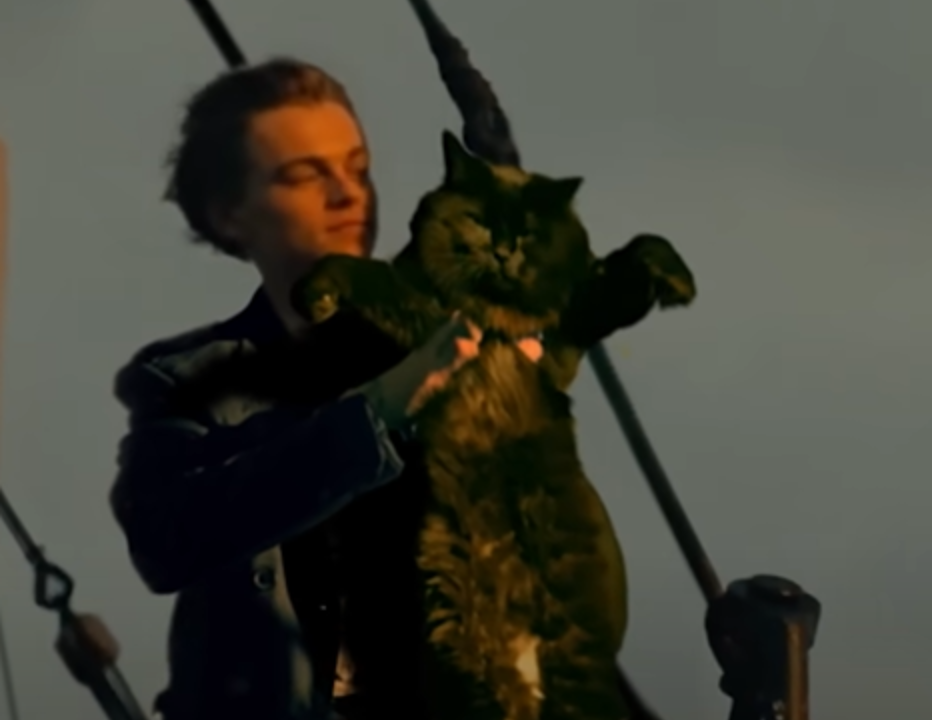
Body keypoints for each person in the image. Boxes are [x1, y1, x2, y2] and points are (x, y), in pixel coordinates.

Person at [109, 58, 659, 720]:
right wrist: (379, 411)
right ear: (230, 214)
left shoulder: (455, 333)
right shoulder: (190, 381)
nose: (348, 196)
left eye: (357, 170)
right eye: (305, 176)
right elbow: (166, 539)